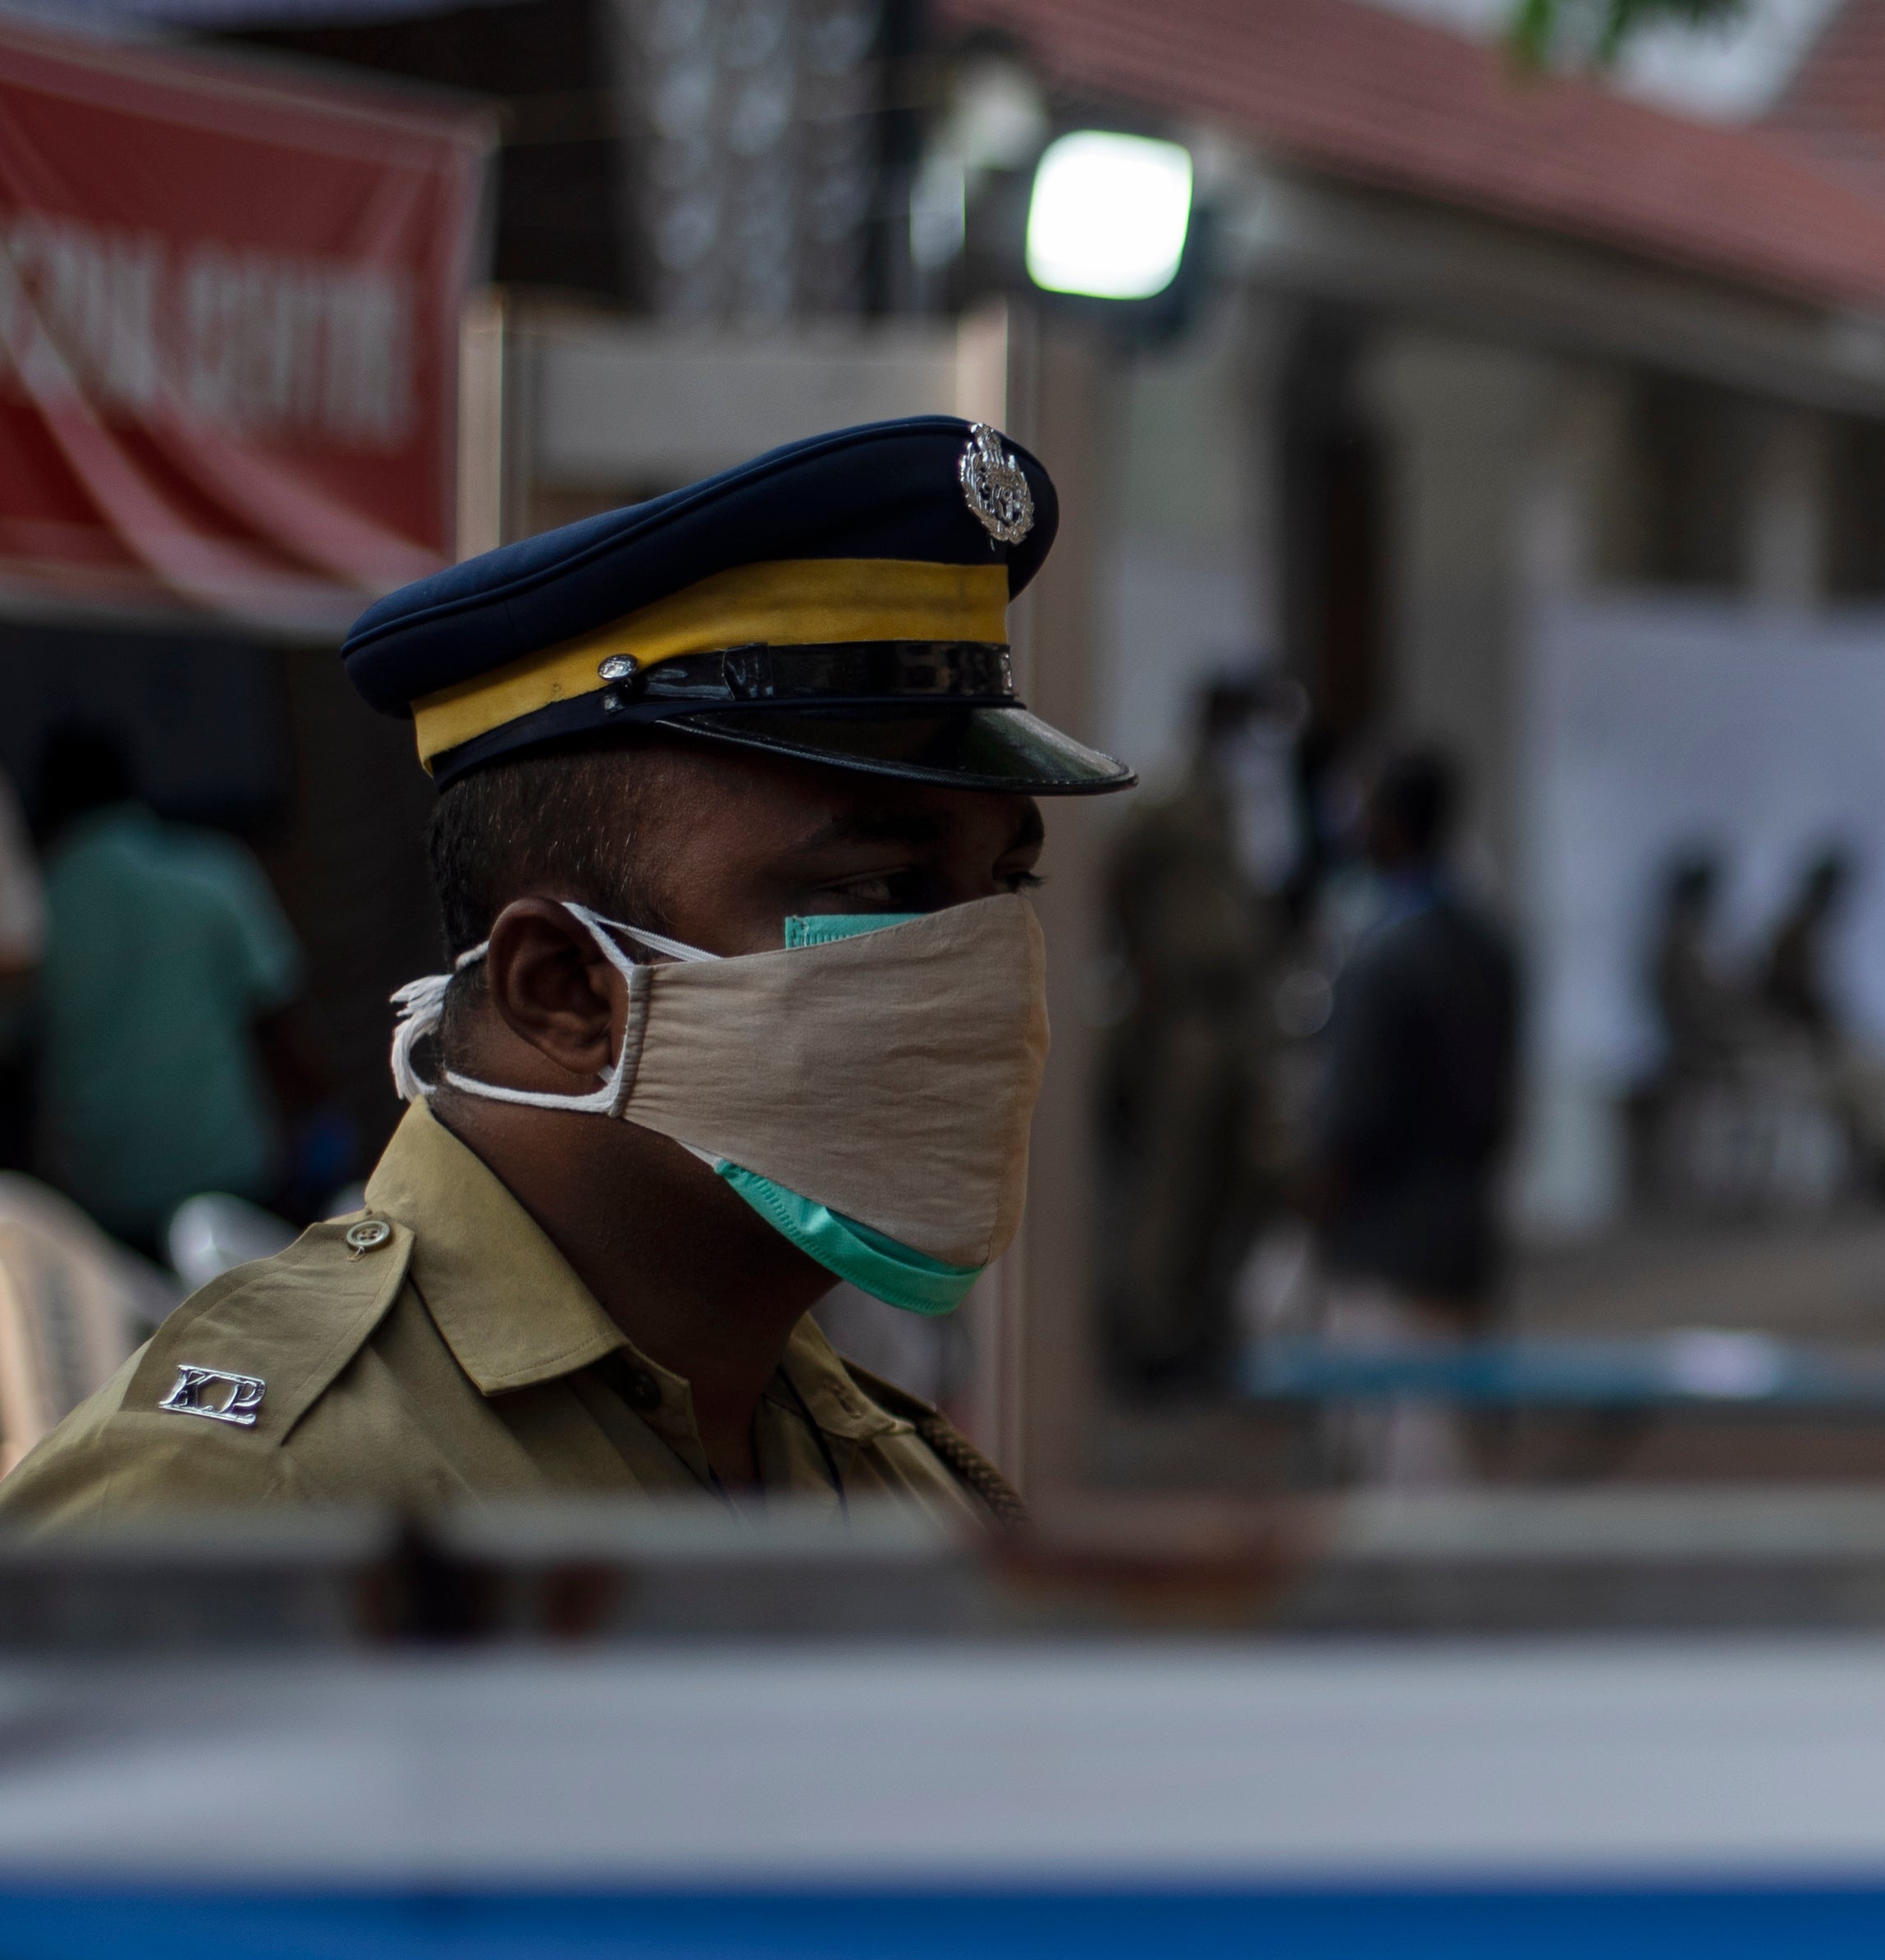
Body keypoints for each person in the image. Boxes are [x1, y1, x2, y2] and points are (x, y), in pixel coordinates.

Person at [0, 414, 1131, 1531]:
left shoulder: (887, 1480)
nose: (980, 963)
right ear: (569, 990)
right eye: (884, 890)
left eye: (1009, 886)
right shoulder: (241, 1510)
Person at [1310, 746, 1521, 1486]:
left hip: (1385, 1243)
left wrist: (1317, 1207)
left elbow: (1350, 1120)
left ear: (1391, 826)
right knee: (1455, 1434)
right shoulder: (1493, 946)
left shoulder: (1383, 959)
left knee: (1403, 1457)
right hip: (1466, 1226)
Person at [22, 717, 309, 1254]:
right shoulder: (212, 874)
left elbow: (18, 1054)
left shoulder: (36, 913)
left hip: (102, 1194)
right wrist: (315, 1131)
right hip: (230, 1171)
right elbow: (278, 1022)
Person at [1100, 674, 1292, 1399]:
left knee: (1242, 1179)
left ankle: (1204, 1324)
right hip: (1185, 1017)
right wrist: (1141, 968)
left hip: (1240, 1013)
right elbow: (1115, 882)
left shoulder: (1245, 805)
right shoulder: (1170, 803)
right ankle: (1152, 1335)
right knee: (1172, 1184)